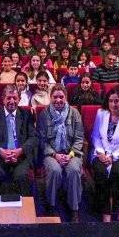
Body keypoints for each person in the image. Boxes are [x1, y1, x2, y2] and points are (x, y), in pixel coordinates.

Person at [37, 84, 84, 222]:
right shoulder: (44, 114)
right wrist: (55, 155)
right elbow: (41, 140)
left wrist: (70, 155)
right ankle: (51, 205)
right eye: (55, 97)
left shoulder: (75, 113)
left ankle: (74, 207)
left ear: (66, 97)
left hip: (71, 153)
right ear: (50, 98)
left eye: (61, 97)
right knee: (55, 170)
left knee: (74, 169)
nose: (58, 100)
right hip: (51, 154)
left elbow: (79, 137)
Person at [0, 85, 36, 196]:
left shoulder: (26, 114)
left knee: (22, 176)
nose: (12, 101)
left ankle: (24, 212)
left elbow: (34, 137)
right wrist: (0, 151)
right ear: (3, 99)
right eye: (8, 98)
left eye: (14, 98)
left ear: (19, 99)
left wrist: (20, 151)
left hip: (21, 157)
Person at [90, 87, 119, 222]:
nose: (113, 104)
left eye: (116, 101)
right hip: (101, 151)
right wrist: (100, 153)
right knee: (101, 172)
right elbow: (96, 136)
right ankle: (105, 211)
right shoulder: (101, 113)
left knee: (117, 173)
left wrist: (112, 157)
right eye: (110, 101)